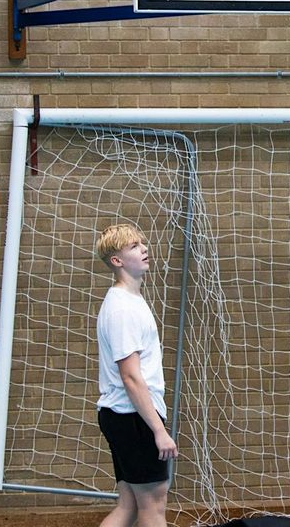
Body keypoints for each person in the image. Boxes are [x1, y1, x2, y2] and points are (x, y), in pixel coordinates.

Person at [94, 224, 179, 527]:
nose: (144, 248)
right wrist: (158, 430)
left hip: (127, 416)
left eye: (142, 243)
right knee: (154, 506)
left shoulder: (130, 301)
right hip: (132, 417)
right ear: (116, 260)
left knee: (129, 506)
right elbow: (130, 377)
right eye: (133, 246)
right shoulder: (121, 309)